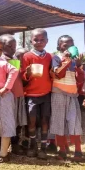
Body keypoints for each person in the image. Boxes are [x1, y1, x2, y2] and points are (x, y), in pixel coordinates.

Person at [50, 35, 85, 160]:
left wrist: (79, 66)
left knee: (75, 123)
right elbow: (58, 74)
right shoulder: (56, 57)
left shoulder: (75, 61)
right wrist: (66, 60)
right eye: (65, 45)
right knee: (59, 123)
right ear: (59, 46)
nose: (68, 47)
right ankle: (62, 150)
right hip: (58, 94)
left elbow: (80, 79)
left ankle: (78, 150)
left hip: (72, 95)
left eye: (71, 45)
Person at [21, 28, 52, 159]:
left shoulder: (49, 56)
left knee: (45, 119)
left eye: (42, 40)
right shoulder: (27, 56)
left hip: (46, 93)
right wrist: (27, 74)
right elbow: (22, 76)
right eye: (36, 40)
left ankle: (43, 147)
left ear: (47, 41)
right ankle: (32, 145)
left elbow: (52, 73)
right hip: (31, 94)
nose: (39, 42)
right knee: (31, 120)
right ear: (31, 40)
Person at [0, 34, 27, 155]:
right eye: (9, 45)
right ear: (1, 46)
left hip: (18, 94)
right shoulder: (0, 60)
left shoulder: (16, 60)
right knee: (6, 120)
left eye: (14, 45)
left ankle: (15, 144)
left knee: (17, 121)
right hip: (7, 96)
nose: (12, 48)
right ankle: (3, 145)